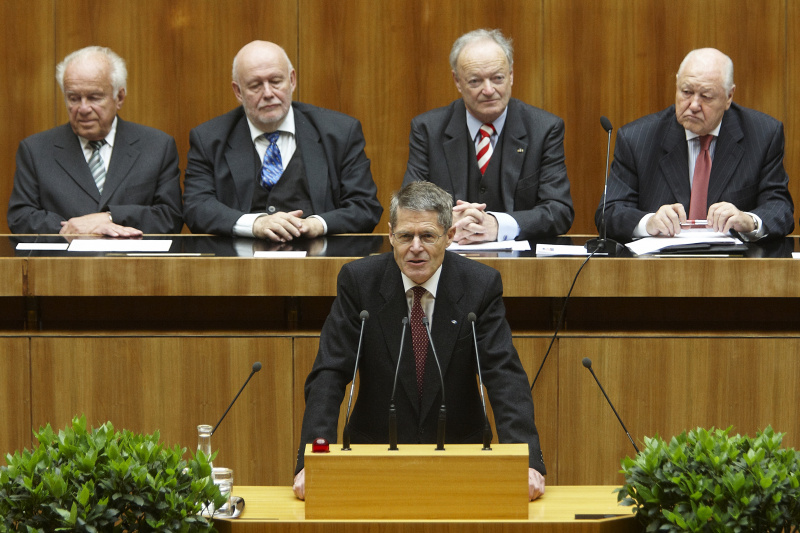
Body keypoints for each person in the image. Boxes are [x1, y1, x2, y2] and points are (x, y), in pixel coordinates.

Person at [293, 182, 546, 501]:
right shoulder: (359, 282)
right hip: (373, 455)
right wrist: (314, 459)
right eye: (405, 236)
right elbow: (329, 374)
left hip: (459, 457)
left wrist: (526, 460)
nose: (415, 247)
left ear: (449, 235)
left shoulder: (479, 285)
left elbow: (504, 376)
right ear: (390, 235)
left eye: (427, 236)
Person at [183, 41, 382, 240]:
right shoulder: (209, 139)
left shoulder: (340, 132)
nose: (268, 93)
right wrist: (255, 223)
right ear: (238, 92)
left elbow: (365, 207)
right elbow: (196, 208)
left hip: (321, 254)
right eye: (255, 86)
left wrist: (317, 224)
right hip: (240, 257)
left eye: (276, 81)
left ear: (292, 80)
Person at [597, 48, 794, 243]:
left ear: (729, 96)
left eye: (706, 96)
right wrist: (649, 222)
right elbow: (609, 212)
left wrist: (749, 221)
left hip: (734, 261)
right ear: (677, 84)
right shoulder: (637, 139)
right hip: (658, 261)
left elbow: (780, 207)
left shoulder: (763, 135)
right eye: (686, 92)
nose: (693, 105)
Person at [402, 29, 574, 244]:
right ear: (457, 80)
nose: (489, 90)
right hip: (449, 257)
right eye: (475, 81)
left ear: (511, 75)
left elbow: (559, 210)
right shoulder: (428, 129)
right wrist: (447, 220)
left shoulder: (544, 128)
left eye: (498, 78)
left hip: (521, 260)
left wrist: (499, 224)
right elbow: (409, 207)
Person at [7, 46, 183, 236]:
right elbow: (21, 217)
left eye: (94, 98)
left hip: (132, 255)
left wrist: (110, 217)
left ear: (119, 97)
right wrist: (74, 230)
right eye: (74, 98)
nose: (83, 108)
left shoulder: (157, 146)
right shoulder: (35, 150)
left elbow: (170, 217)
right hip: (63, 255)